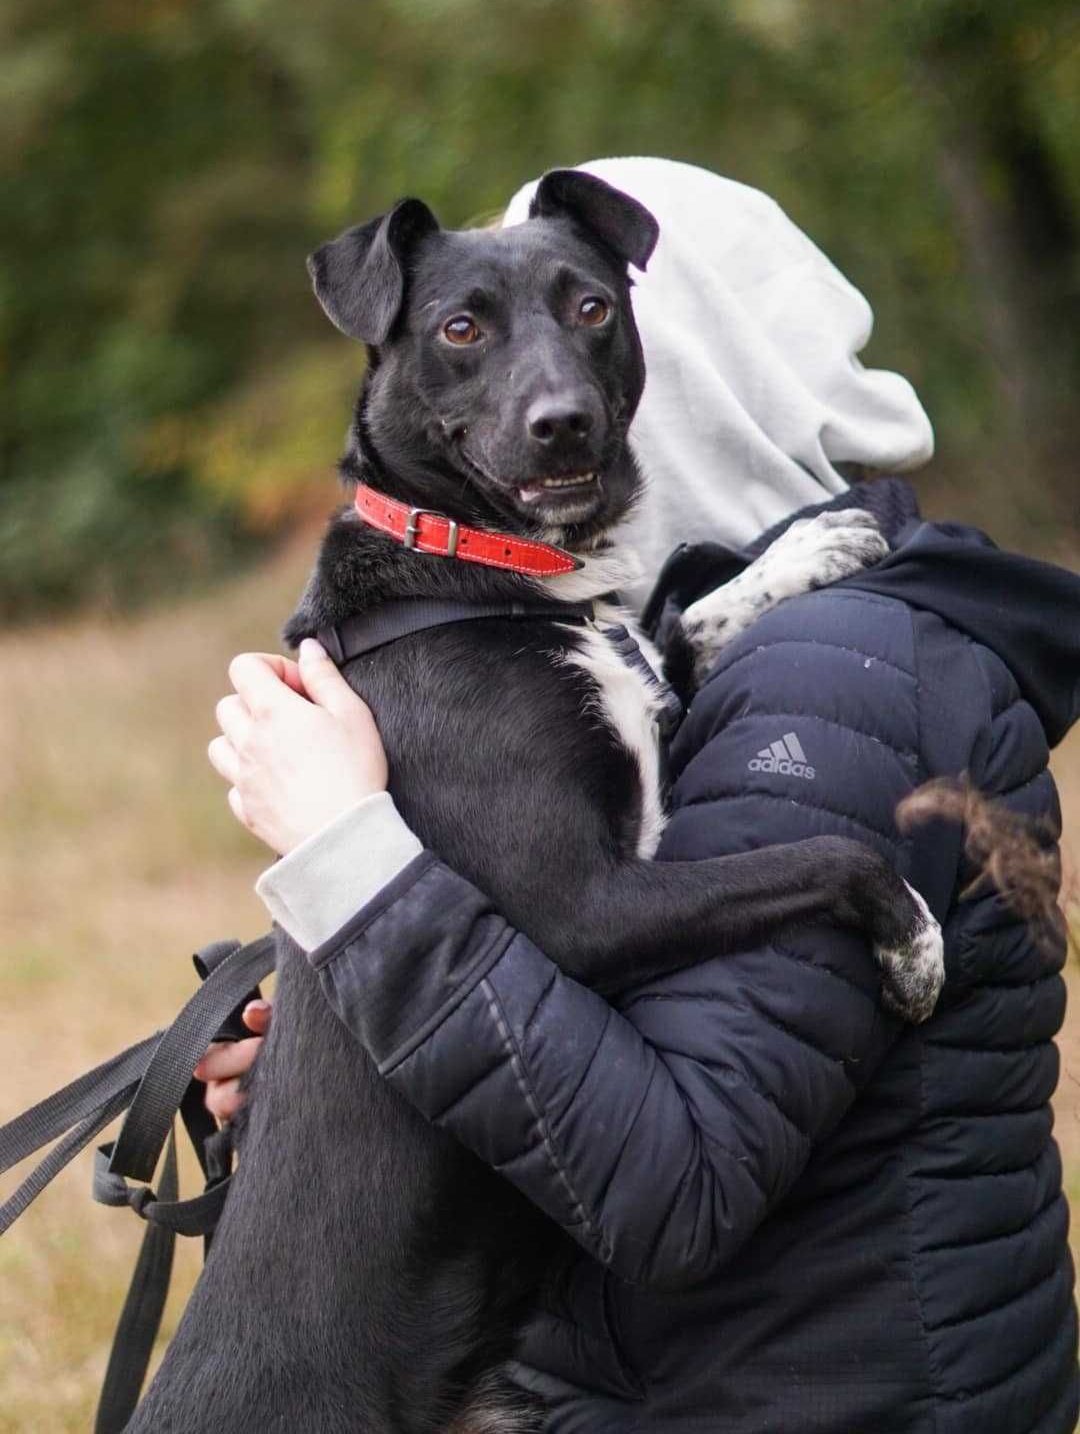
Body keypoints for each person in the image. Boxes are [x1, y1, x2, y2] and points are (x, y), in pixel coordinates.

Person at [203, 159, 1080, 1433]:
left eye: (590, 315)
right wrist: (330, 1047)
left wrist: (353, 861)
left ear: (691, 373)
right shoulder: (693, 647)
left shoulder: (836, 688)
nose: (551, 388)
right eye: (476, 328)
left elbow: (665, 1176)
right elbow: (557, 991)